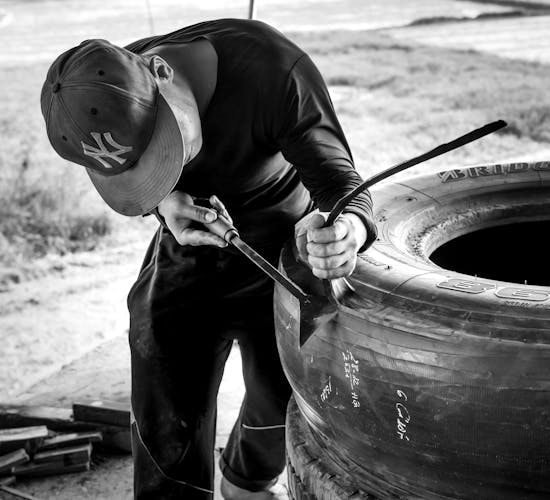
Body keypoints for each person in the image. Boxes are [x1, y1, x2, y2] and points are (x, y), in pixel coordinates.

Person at [40, 18, 377, 500]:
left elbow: (344, 186)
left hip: (285, 253)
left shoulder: (272, 70)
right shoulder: (103, 89)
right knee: (163, 402)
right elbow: (133, 176)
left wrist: (345, 231)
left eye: (164, 151)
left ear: (161, 72)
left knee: (283, 398)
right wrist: (163, 202)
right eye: (147, 168)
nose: (166, 169)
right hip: (188, 249)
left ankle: (246, 484)